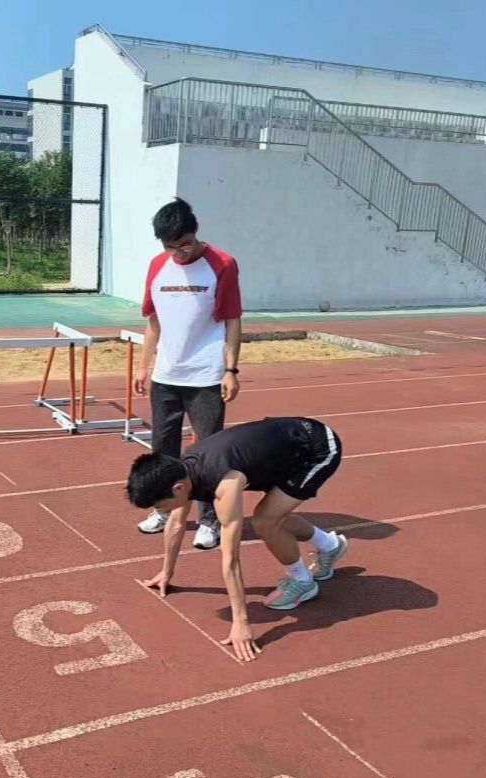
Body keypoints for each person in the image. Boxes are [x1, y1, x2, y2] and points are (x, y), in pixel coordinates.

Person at [126, 416, 349, 662]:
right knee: (275, 513)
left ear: (178, 489)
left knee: (265, 520)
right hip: (282, 450)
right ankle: (329, 545)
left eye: (160, 505)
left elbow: (231, 559)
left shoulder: (225, 482)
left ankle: (302, 582)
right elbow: (176, 524)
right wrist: (166, 572)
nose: (161, 511)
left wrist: (241, 621)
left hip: (316, 448)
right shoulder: (181, 472)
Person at [133, 197, 242, 551]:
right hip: (166, 375)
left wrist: (230, 369)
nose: (179, 253)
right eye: (171, 247)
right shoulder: (157, 266)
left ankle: (208, 520)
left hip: (206, 376)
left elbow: (232, 320)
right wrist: (144, 365)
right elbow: (153, 322)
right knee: (163, 448)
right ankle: (163, 511)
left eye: (185, 244)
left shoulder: (222, 264)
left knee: (207, 451)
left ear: (196, 232)